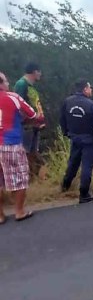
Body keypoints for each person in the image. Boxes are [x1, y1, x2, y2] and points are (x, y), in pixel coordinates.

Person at [0, 71, 38, 223]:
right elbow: (32, 114)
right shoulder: (12, 97)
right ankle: (19, 211)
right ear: (1, 84)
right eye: (6, 82)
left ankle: (1, 215)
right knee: (21, 178)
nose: (8, 84)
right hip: (11, 143)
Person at [60, 79, 93, 203]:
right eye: (90, 88)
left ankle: (65, 186)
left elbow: (62, 119)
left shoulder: (67, 102)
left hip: (74, 138)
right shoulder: (91, 105)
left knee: (73, 164)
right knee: (87, 166)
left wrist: (66, 133)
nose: (91, 90)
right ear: (85, 89)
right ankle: (84, 193)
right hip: (89, 140)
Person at [14, 62, 46, 175]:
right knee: (25, 153)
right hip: (26, 125)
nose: (40, 74)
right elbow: (18, 104)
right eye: (39, 71)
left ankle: (32, 179)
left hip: (34, 125)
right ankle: (23, 178)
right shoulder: (21, 84)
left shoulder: (30, 87)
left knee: (33, 154)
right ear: (34, 71)